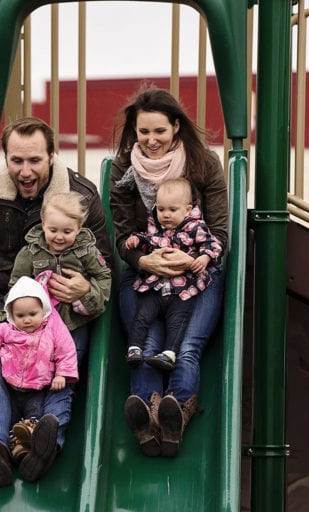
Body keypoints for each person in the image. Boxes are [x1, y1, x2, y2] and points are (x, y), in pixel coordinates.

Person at [0, 117, 111, 477]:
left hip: (64, 306)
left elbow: (105, 260)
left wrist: (85, 288)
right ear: (5, 158)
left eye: (34, 160)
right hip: (6, 296)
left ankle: (44, 443)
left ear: (52, 156)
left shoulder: (79, 196)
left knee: (65, 364)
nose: (24, 171)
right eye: (16, 160)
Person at [109, 88, 229, 457]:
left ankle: (177, 409)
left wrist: (191, 258)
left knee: (187, 346)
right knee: (145, 345)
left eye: (159, 131)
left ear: (176, 126)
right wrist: (144, 261)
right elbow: (122, 233)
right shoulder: (124, 168)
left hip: (196, 273)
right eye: (143, 132)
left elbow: (221, 233)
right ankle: (146, 413)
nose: (151, 140)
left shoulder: (202, 164)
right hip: (146, 273)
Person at [0, 277, 78, 485]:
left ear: (43, 311)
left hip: (38, 390)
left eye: (32, 314)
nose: (27, 320)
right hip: (12, 389)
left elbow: (67, 350)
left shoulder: (52, 329)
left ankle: (28, 454)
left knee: (33, 423)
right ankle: (3, 453)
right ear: (11, 315)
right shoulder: (7, 329)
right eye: (20, 315)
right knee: (13, 425)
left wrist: (62, 374)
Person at [124, 176, 222, 372]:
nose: (165, 215)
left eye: (172, 210)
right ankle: (134, 348)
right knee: (142, 316)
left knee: (178, 322)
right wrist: (136, 240)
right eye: (161, 210)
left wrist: (203, 258)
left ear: (187, 209)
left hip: (182, 289)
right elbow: (147, 240)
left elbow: (213, 245)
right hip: (155, 287)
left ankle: (169, 353)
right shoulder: (156, 229)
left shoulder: (196, 228)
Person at [4, 190, 112, 335]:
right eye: (53, 230)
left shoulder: (87, 252)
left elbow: (103, 276)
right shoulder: (29, 254)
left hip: (74, 322)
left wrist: (88, 295)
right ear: (43, 224)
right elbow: (16, 285)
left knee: (76, 350)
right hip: (39, 323)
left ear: (79, 228)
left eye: (67, 232)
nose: (59, 237)